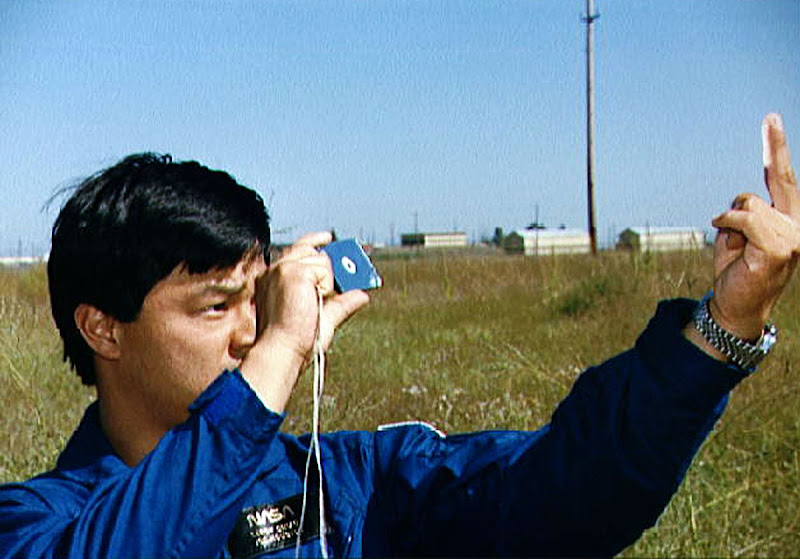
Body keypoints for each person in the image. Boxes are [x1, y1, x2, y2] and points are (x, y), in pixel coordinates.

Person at [1, 113, 797, 558]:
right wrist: (279, 354)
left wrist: (722, 327)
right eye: (214, 307)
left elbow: (564, 491)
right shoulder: (36, 525)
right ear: (102, 328)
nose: (250, 333)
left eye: (259, 299)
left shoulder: (349, 481)